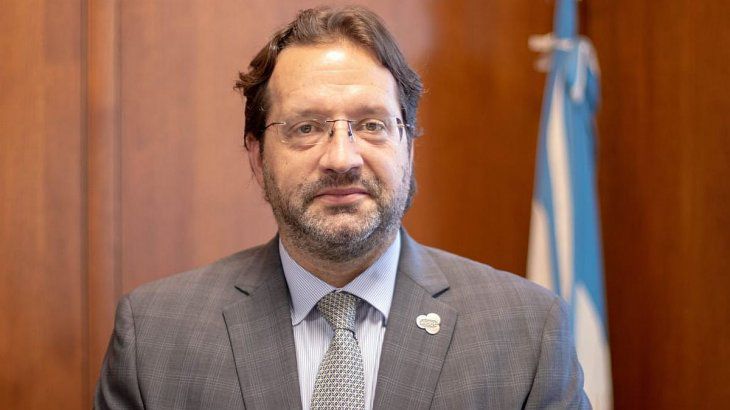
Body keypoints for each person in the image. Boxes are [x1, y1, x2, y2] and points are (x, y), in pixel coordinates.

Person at [95, 5, 589, 410]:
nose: (342, 158)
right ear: (257, 156)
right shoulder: (156, 338)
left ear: (408, 148)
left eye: (372, 125)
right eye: (306, 127)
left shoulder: (526, 332)